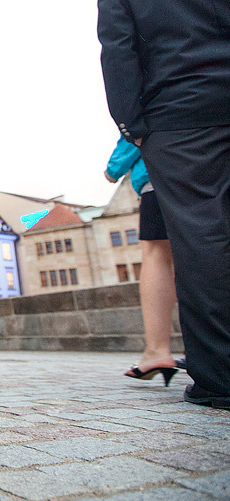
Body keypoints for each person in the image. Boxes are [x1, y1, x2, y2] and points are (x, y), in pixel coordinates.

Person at [99, 0, 230, 408]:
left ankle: (221, 374)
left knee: (199, 238)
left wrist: (132, 126)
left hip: (183, 107)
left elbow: (119, 49)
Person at [104, 137, 180, 385]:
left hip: (162, 171)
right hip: (214, 167)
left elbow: (135, 128)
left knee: (157, 255)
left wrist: (111, 170)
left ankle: (158, 351)